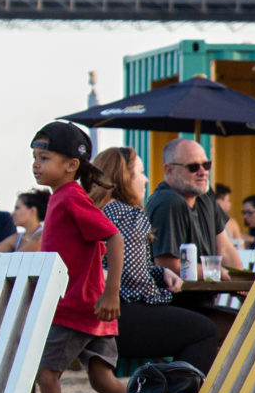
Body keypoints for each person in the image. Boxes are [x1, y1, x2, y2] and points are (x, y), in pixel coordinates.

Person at [28, 122, 129, 393]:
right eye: (34, 157)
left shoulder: (71, 196)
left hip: (76, 308)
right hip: (90, 308)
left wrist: (111, 292)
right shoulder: (61, 198)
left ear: (71, 165)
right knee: (103, 379)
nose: (36, 164)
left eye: (44, 158)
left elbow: (113, 236)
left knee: (45, 375)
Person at [89, 147, 218, 373]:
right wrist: (163, 296)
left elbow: (120, 264)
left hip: (90, 311)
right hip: (119, 315)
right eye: (140, 173)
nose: (146, 179)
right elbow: (133, 280)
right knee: (204, 331)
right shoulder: (129, 215)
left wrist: (160, 273)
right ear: (123, 178)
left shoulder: (94, 211)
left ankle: (164, 387)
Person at [146, 138, 237, 280]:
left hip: (204, 298)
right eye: (193, 167)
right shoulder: (168, 202)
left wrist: (246, 289)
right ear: (169, 170)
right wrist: (216, 272)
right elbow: (167, 266)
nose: (203, 172)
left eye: (206, 165)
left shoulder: (205, 195)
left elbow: (225, 250)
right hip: (176, 300)